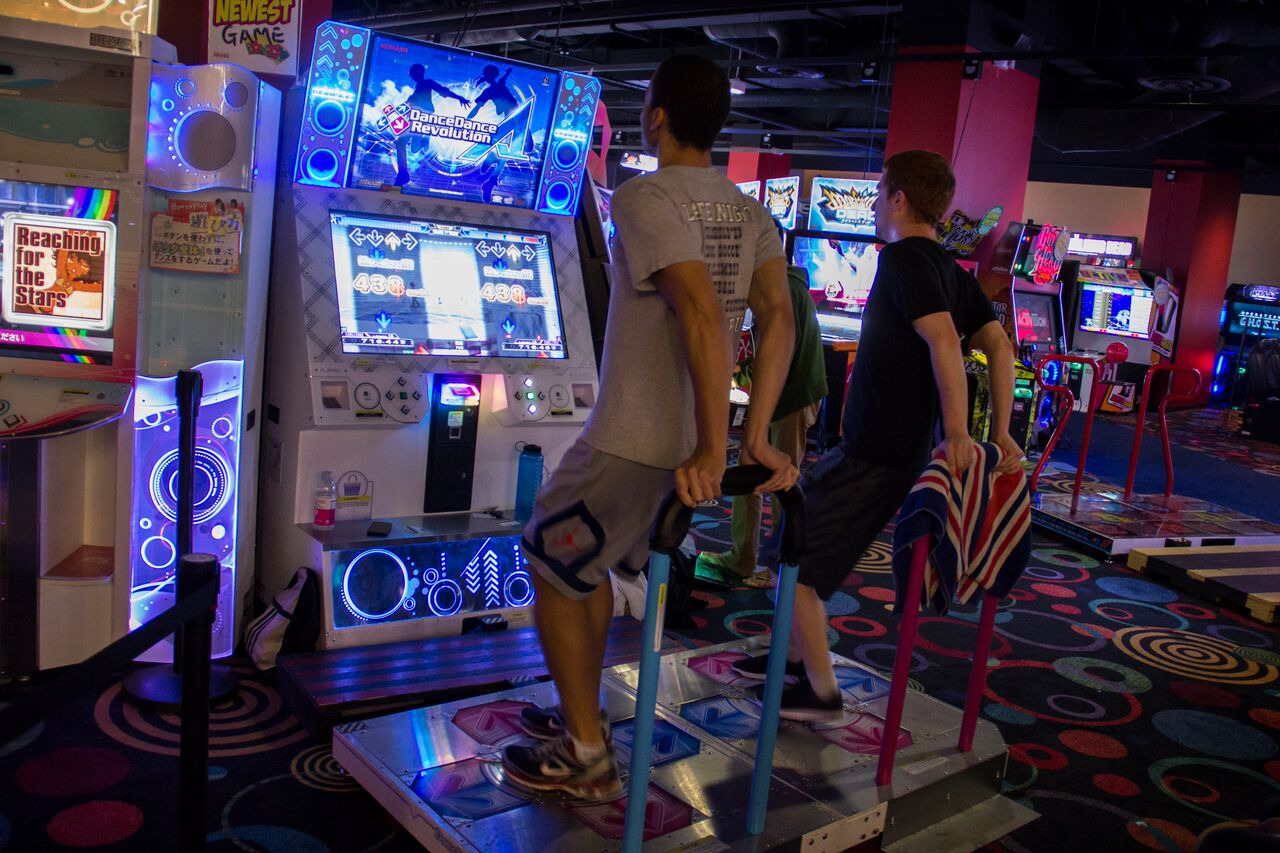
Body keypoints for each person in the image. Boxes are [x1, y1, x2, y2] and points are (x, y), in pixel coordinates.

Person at [500, 54, 798, 800]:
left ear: (657, 116)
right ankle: (583, 713)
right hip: (675, 448)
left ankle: (586, 753)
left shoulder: (645, 195)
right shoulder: (750, 212)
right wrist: (753, 436)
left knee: (546, 555)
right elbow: (778, 319)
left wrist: (712, 447)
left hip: (631, 440)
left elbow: (697, 308)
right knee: (587, 567)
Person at [737, 149, 1023, 721]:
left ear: (898, 198)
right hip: (884, 450)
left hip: (876, 452)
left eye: (878, 195)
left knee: (794, 560)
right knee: (793, 543)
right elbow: (999, 347)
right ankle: (793, 660)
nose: (871, 207)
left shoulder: (904, 260)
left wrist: (960, 432)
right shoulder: (948, 268)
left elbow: (944, 341)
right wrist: (1004, 432)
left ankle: (819, 691)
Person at [697, 221, 827, 586]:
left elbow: (780, 356)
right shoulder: (785, 284)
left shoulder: (784, 289)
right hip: (785, 395)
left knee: (781, 481)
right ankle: (743, 557)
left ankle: (778, 568)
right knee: (750, 471)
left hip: (794, 396)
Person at [394, 63, 472, 186]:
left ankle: (403, 173)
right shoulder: (417, 88)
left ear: (419, 73)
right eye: (412, 75)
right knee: (413, 148)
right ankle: (404, 172)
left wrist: (459, 98)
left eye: (414, 74)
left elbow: (444, 91)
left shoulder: (428, 83)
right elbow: (408, 104)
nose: (413, 77)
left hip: (422, 118)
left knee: (401, 143)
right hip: (415, 119)